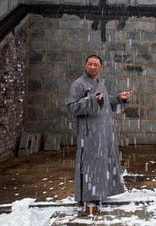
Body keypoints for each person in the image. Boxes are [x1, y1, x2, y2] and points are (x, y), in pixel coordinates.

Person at [67, 54, 132, 215]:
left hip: (103, 131)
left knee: (103, 163)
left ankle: (100, 193)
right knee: (89, 164)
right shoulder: (79, 84)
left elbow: (105, 102)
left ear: (100, 68)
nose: (92, 67)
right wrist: (92, 100)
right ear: (85, 66)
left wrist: (118, 98)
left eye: (96, 64)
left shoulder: (100, 83)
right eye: (90, 64)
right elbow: (72, 107)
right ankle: (89, 198)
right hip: (89, 133)